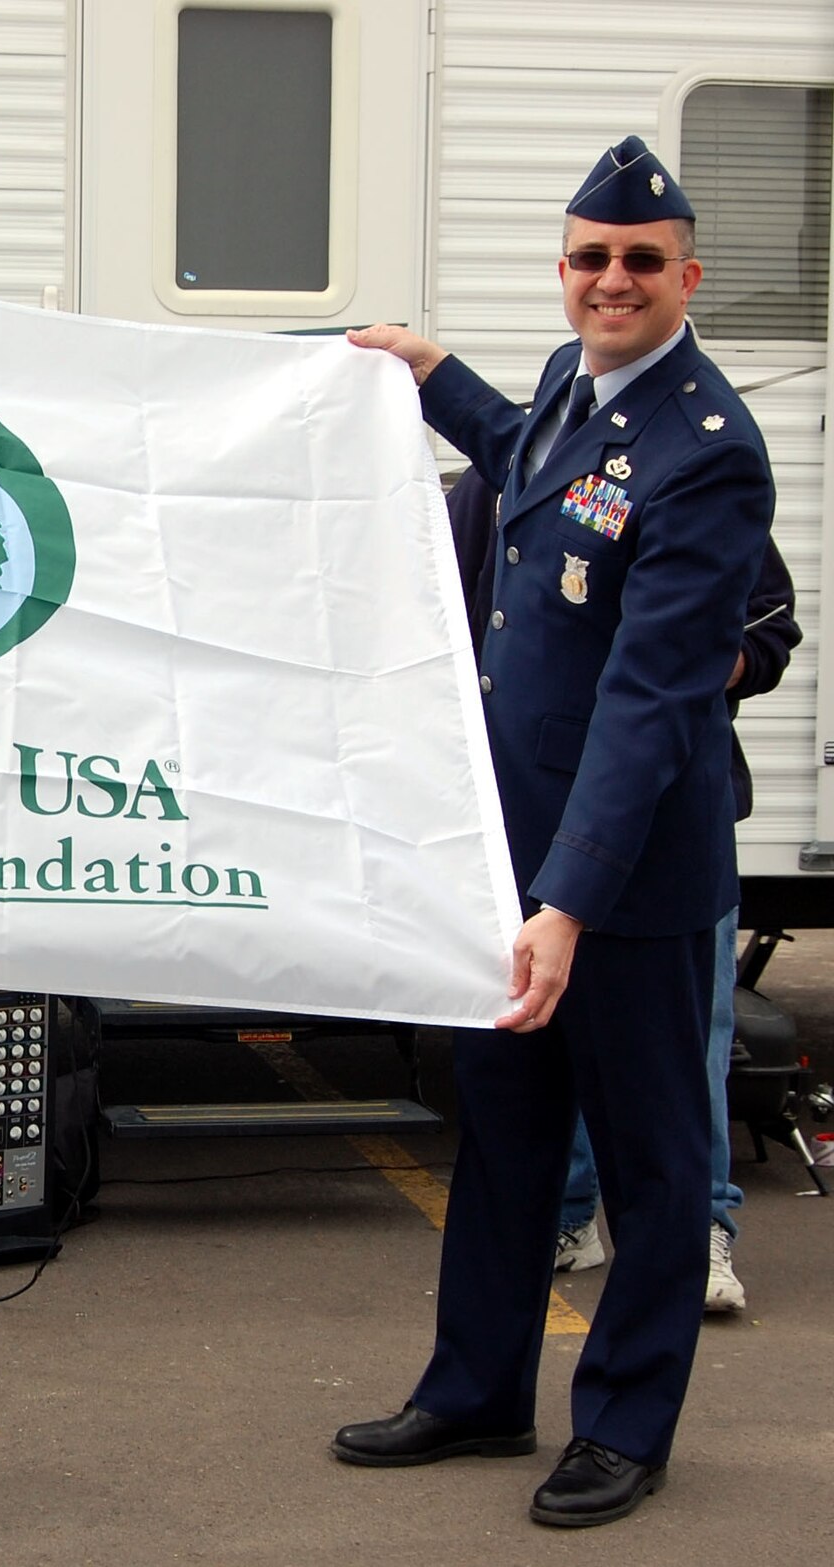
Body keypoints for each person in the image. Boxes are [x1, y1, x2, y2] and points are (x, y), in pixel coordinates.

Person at [334, 136, 774, 1528]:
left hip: (626, 883)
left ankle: (626, 1425)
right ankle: (475, 1387)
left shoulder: (710, 454)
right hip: (513, 855)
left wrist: (569, 903)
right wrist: (422, 367)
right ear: (567, 270)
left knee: (649, 1166)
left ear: (686, 274)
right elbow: (524, 456)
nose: (613, 279)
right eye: (590, 257)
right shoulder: (564, 386)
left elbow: (649, 702)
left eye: (641, 260)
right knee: (508, 1140)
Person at [448, 475, 801, 1309]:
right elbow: (443, 615)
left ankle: (703, 1228)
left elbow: (768, 623)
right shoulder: (501, 474)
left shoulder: (690, 469)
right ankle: (569, 1216)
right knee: (530, 1033)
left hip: (661, 827)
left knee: (683, 1058)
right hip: (521, 823)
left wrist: (693, 668)